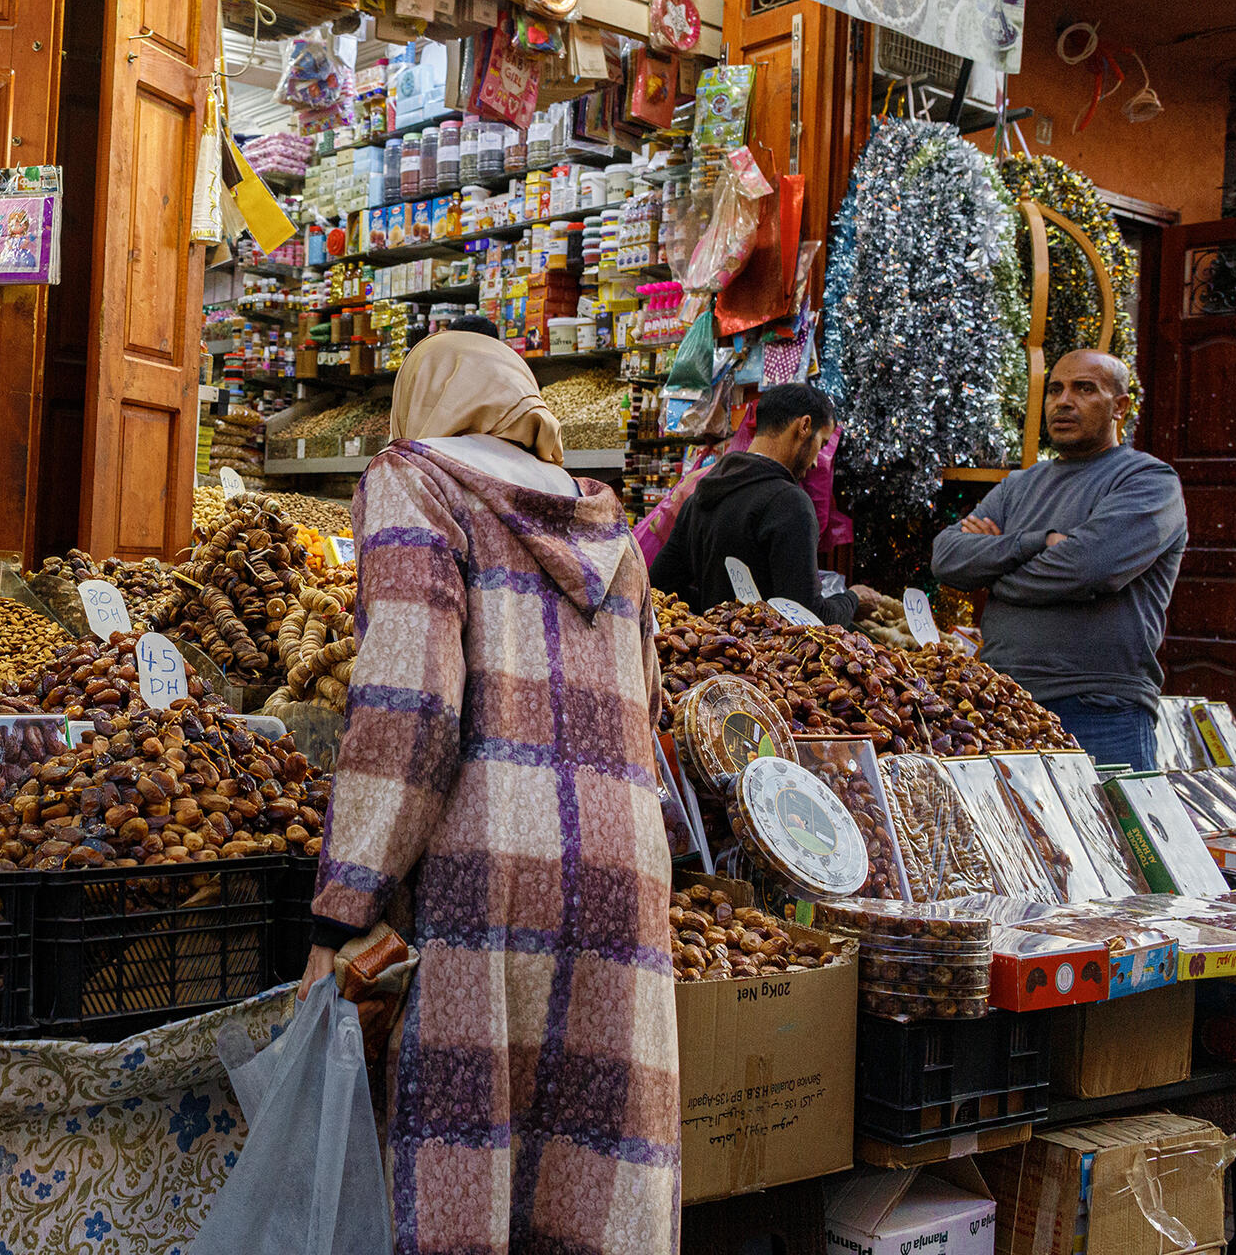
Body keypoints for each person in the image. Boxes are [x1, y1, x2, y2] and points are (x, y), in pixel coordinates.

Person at [300, 331, 677, 1254]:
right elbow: (650, 703)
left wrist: (343, 908)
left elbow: (410, 704)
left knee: (465, 1154)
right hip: (625, 872)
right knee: (589, 1162)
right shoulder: (610, 526)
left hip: (483, 871)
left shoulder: (414, 481)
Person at [930, 350, 1185, 770]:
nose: (1063, 401)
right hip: (999, 704)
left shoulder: (1147, 481)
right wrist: (1037, 542)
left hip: (1099, 711)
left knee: (1108, 818)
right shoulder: (1019, 485)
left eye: (1084, 389)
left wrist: (994, 574)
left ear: (1120, 406)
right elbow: (946, 557)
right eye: (1055, 389)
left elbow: (1088, 568)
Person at [647, 382, 859, 624]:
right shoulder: (789, 503)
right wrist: (853, 599)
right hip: (768, 650)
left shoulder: (698, 499)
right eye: (821, 444)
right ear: (804, 426)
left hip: (714, 647)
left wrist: (716, 612)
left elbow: (660, 587)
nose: (815, 462)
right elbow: (808, 618)